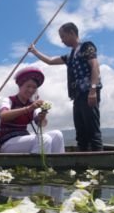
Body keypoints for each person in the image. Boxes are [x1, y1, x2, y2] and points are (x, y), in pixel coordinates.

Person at [29, 22, 103, 151]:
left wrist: (93, 90)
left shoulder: (86, 46)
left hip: (88, 93)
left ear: (72, 33)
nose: (62, 40)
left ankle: (99, 163)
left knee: (92, 129)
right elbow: (50, 61)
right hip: (78, 96)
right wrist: (34, 51)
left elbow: (95, 66)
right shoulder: (70, 56)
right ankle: (84, 161)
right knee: (80, 131)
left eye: (63, 36)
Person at [0, 67, 64, 154]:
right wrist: (28, 109)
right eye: (28, 86)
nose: (31, 90)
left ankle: (57, 165)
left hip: (23, 139)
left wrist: (43, 115)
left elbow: (42, 124)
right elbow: (3, 116)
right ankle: (37, 166)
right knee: (44, 139)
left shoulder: (33, 104)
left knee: (57, 135)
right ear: (20, 86)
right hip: (7, 142)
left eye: (34, 87)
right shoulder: (9, 100)